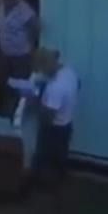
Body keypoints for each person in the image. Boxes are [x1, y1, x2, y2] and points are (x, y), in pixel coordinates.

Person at [32, 48, 78, 187]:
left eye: (42, 69)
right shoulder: (69, 72)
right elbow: (78, 84)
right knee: (60, 159)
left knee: (46, 160)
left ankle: (45, 188)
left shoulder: (55, 88)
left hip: (54, 131)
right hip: (66, 125)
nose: (41, 73)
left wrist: (35, 103)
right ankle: (60, 184)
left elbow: (47, 118)